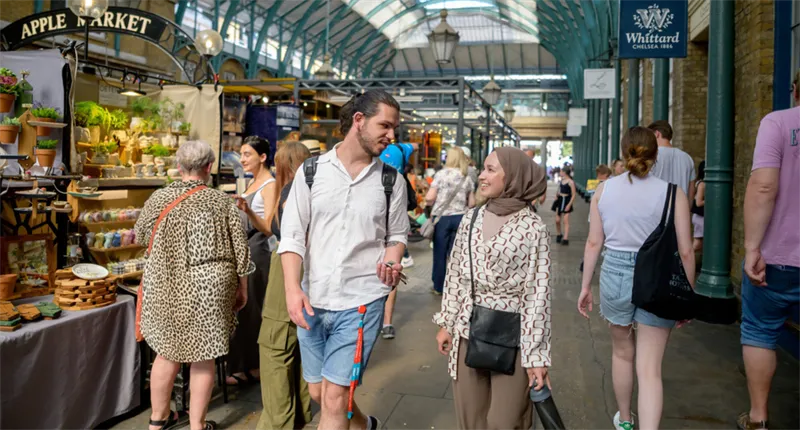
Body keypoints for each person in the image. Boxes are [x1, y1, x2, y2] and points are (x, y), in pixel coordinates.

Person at [279, 89, 409, 430]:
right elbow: (291, 236)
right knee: (320, 392)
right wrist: (292, 289)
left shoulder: (391, 180)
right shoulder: (310, 172)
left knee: (335, 401)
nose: (392, 135)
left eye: (394, 128)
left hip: (362, 300)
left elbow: (396, 235)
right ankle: (366, 426)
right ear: (359, 120)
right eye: (385, 125)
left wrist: (393, 259)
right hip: (313, 299)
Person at [578, 127, 694, 430]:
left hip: (615, 274)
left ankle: (626, 421)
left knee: (622, 353)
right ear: (655, 153)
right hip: (657, 278)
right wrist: (687, 298)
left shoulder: (604, 190)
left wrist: (585, 286)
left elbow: (593, 243)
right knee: (650, 367)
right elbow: (685, 251)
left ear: (623, 151)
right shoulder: (673, 193)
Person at [136, 140, 253, 430]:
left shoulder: (159, 199)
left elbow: (140, 236)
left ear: (179, 167)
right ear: (209, 167)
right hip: (211, 288)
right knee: (204, 355)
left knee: (166, 352)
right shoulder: (221, 202)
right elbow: (242, 252)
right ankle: (197, 426)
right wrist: (243, 288)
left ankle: (157, 422)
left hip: (167, 283)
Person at [434, 147, 551, 430]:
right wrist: (447, 323)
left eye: (490, 170)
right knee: (471, 418)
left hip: (516, 334)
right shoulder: (470, 218)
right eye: (483, 169)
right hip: (467, 328)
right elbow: (455, 276)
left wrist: (536, 356)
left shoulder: (533, 227)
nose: (482, 176)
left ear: (511, 177)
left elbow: (538, 294)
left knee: (505, 420)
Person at [738, 72, 800, 430]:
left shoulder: (777, 123)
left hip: (776, 257)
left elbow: (764, 186)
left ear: (794, 90)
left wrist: (751, 248)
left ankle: (758, 417)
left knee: (760, 331)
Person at [257, 141, 313, 430]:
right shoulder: (313, 188)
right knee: (299, 346)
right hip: (308, 272)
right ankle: (298, 415)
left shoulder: (293, 192)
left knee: (274, 345)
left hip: (289, 269)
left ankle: (278, 422)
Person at [230, 136, 277, 387]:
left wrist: (247, 211)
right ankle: (243, 364)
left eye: (247, 154)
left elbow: (269, 227)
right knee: (243, 307)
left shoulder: (269, 185)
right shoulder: (250, 184)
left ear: (262, 157)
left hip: (258, 249)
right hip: (245, 248)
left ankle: (255, 367)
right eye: (241, 154)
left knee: (253, 307)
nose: (243, 159)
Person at [425, 147, 476, 295]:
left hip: (442, 219)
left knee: (439, 254)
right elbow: (472, 203)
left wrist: (432, 204)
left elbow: (429, 198)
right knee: (456, 255)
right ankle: (457, 286)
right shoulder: (466, 176)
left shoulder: (440, 175)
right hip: (460, 218)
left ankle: (439, 287)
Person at [379, 142, 416, 340]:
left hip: (382, 226)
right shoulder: (401, 149)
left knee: (389, 270)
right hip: (391, 222)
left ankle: (383, 321)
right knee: (390, 271)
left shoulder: (391, 151)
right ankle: (386, 322)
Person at [647, 120, 696, 200]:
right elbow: (691, 191)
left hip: (657, 210)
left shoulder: (651, 156)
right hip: (681, 209)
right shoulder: (687, 158)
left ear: (656, 134)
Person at [552, 167, 576, 245]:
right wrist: (557, 195)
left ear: (565, 172)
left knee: (565, 220)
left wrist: (569, 204)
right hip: (560, 200)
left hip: (567, 200)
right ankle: (559, 234)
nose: (560, 172)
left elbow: (573, 194)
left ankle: (565, 238)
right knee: (557, 220)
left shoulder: (571, 182)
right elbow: (559, 189)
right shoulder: (562, 180)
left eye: (561, 171)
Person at [691, 161, 705, 256]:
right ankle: (682, 261)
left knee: (700, 243)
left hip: (699, 217)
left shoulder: (700, 182)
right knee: (697, 243)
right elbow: (699, 203)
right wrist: (712, 200)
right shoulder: (702, 184)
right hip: (700, 217)